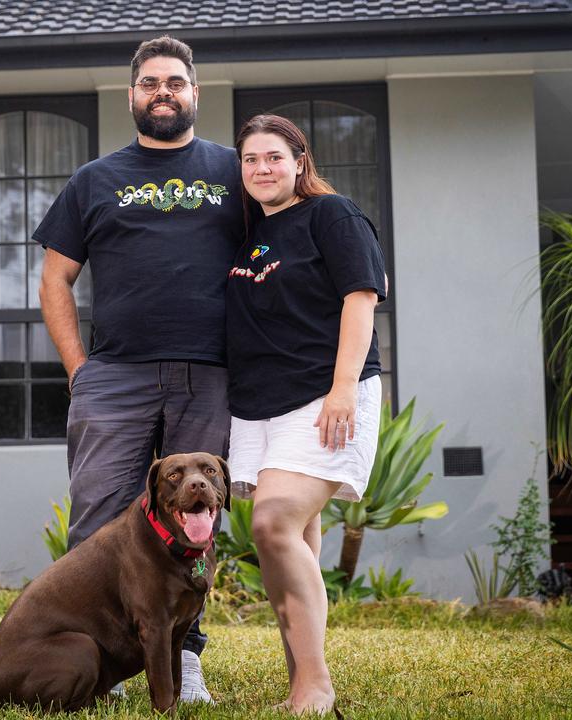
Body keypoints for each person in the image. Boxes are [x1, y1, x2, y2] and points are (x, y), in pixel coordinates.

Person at [33, 36, 244, 704]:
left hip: (208, 372)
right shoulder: (94, 180)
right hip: (115, 375)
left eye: (175, 82)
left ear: (194, 94)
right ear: (131, 95)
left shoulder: (235, 173)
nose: (163, 92)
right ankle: (103, 659)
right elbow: (55, 280)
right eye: (150, 82)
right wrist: (79, 372)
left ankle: (184, 661)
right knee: (97, 518)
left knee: (198, 519)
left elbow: (278, 257)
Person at [225, 114, 387, 715]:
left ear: (299, 161)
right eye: (250, 160)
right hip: (256, 407)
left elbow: (361, 297)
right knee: (293, 543)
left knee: (271, 523)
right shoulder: (250, 235)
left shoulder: (332, 214)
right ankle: (301, 682)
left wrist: (343, 387)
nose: (262, 169)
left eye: (273, 157)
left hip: (322, 397)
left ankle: (316, 683)